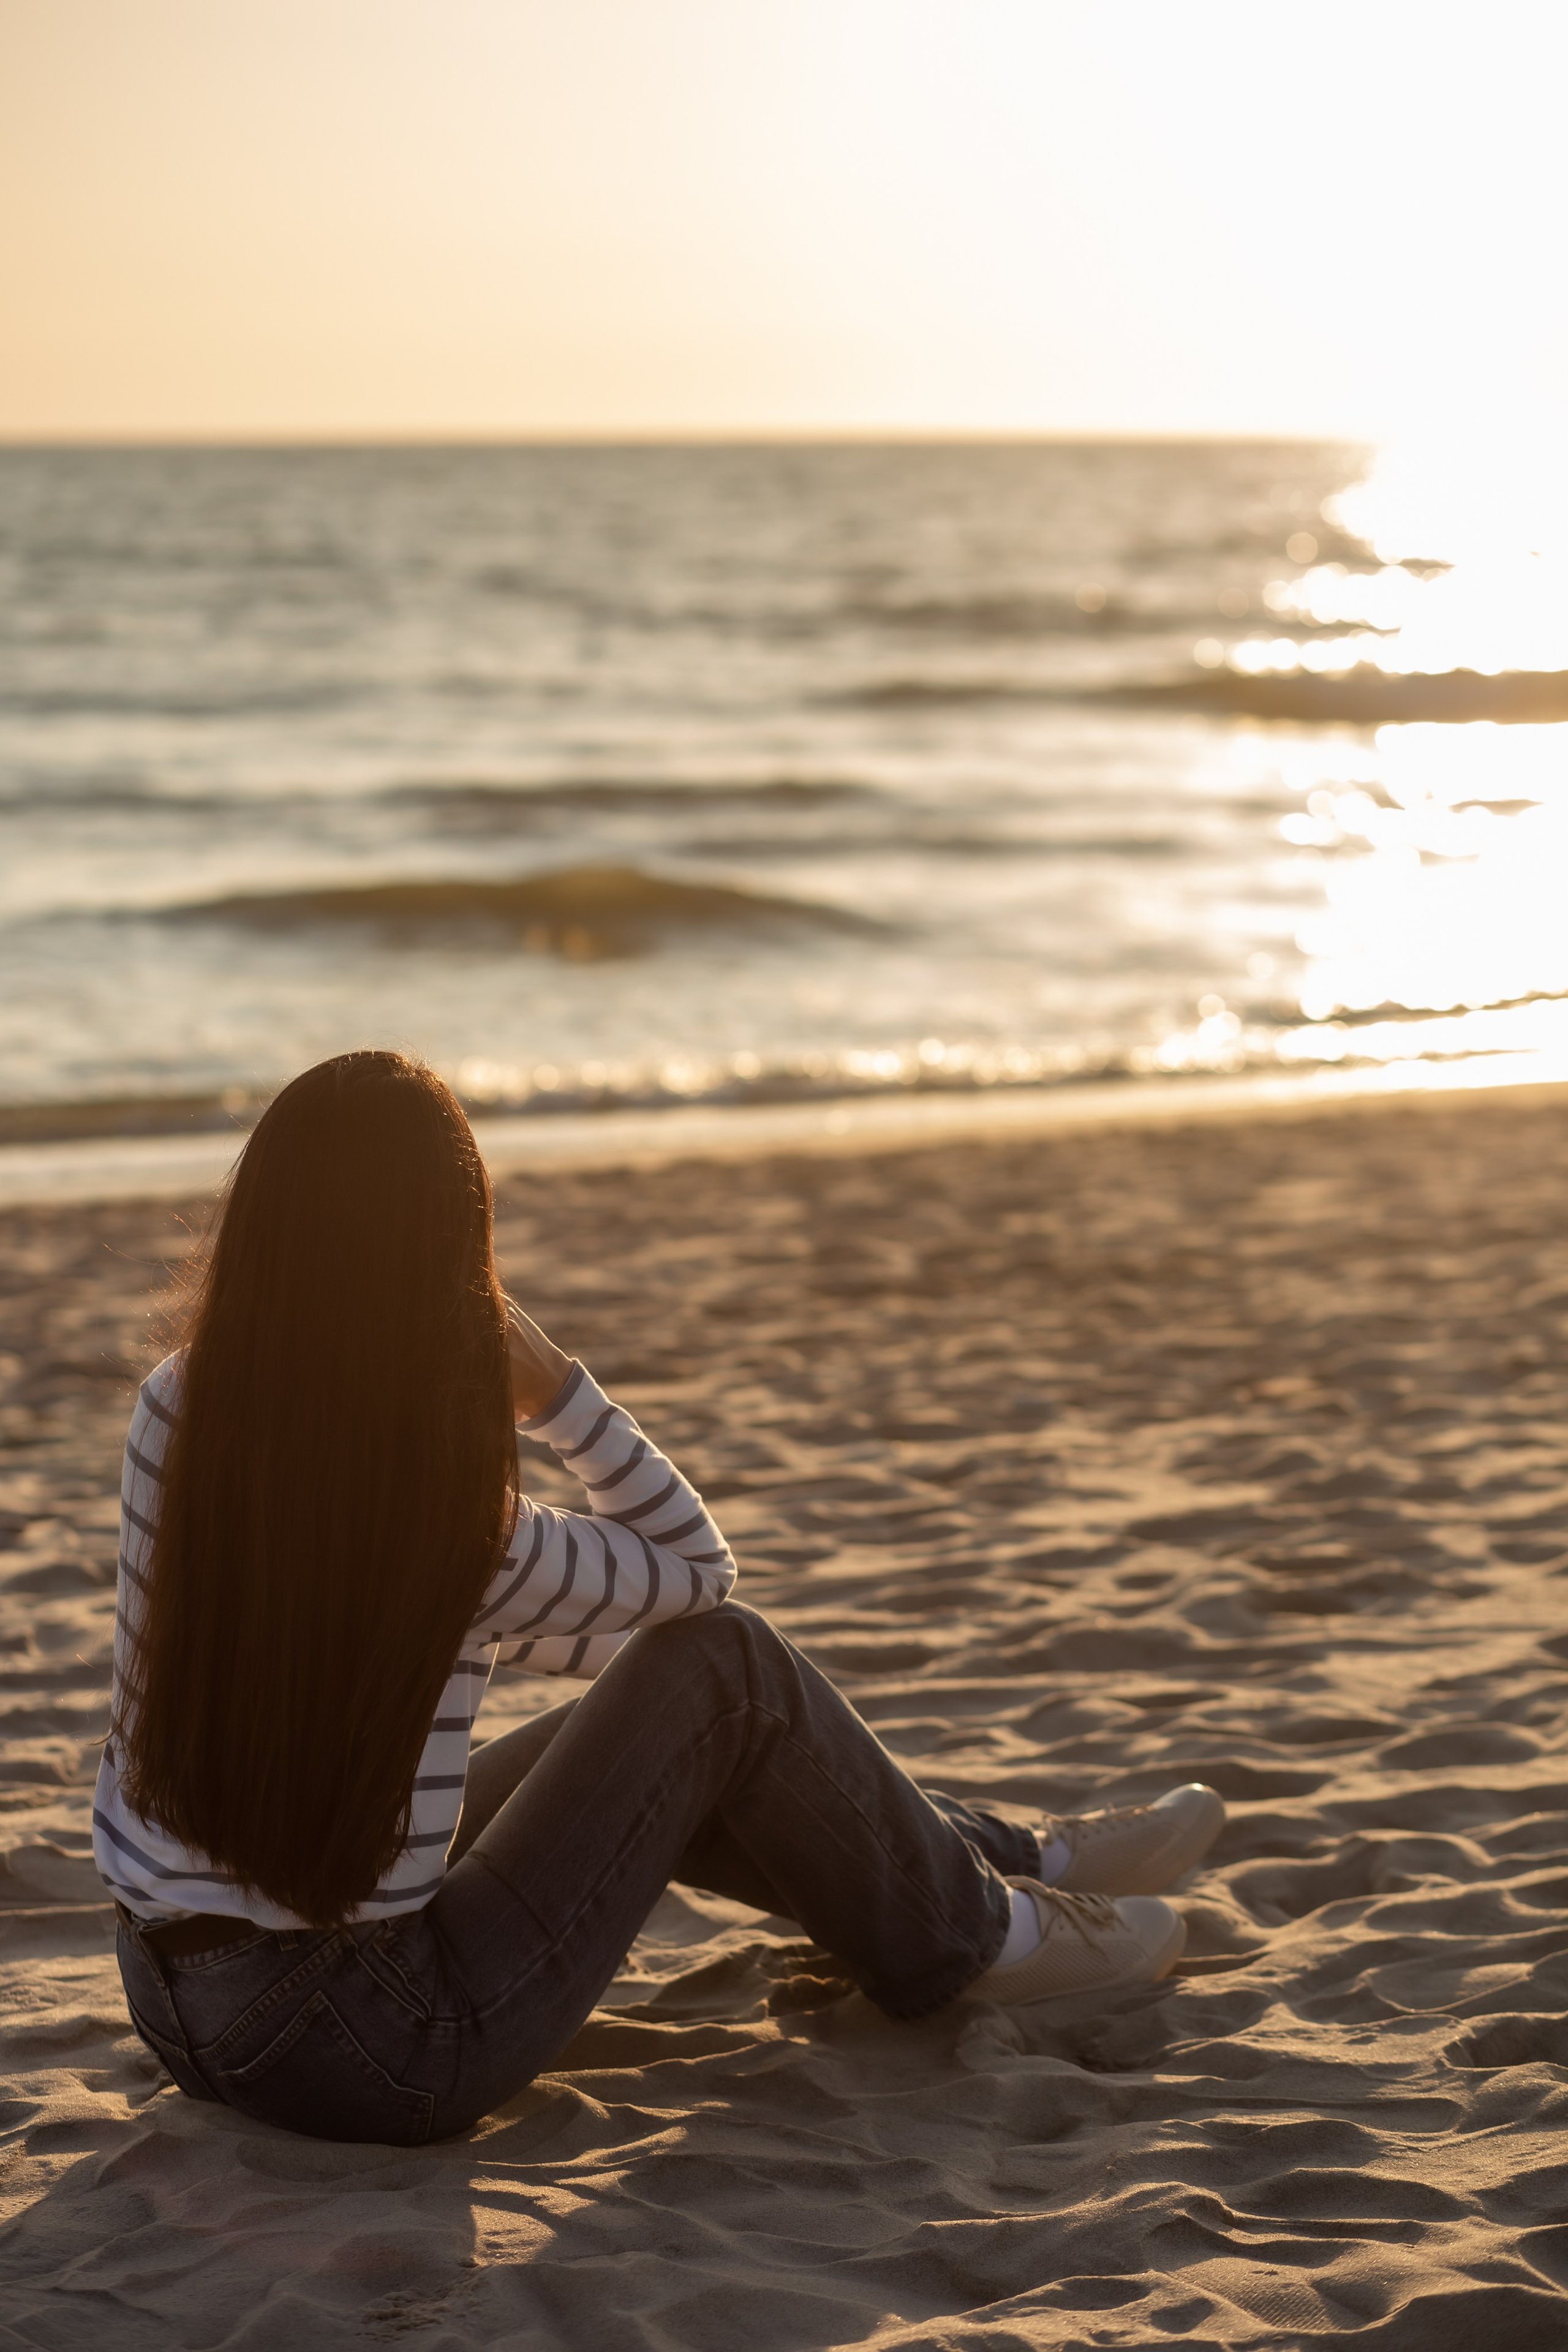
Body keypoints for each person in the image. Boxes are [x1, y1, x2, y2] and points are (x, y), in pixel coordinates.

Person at [98, 1050, 1224, 2147]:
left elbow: (562, 1651)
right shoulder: (444, 1525)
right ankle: (983, 1930)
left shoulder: (175, 1409)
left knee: (683, 1716)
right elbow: (696, 1577)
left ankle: (1008, 1863)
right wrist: (559, 1396)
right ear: (451, 1258)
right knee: (726, 1670)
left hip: (175, 2001)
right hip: (384, 2045)